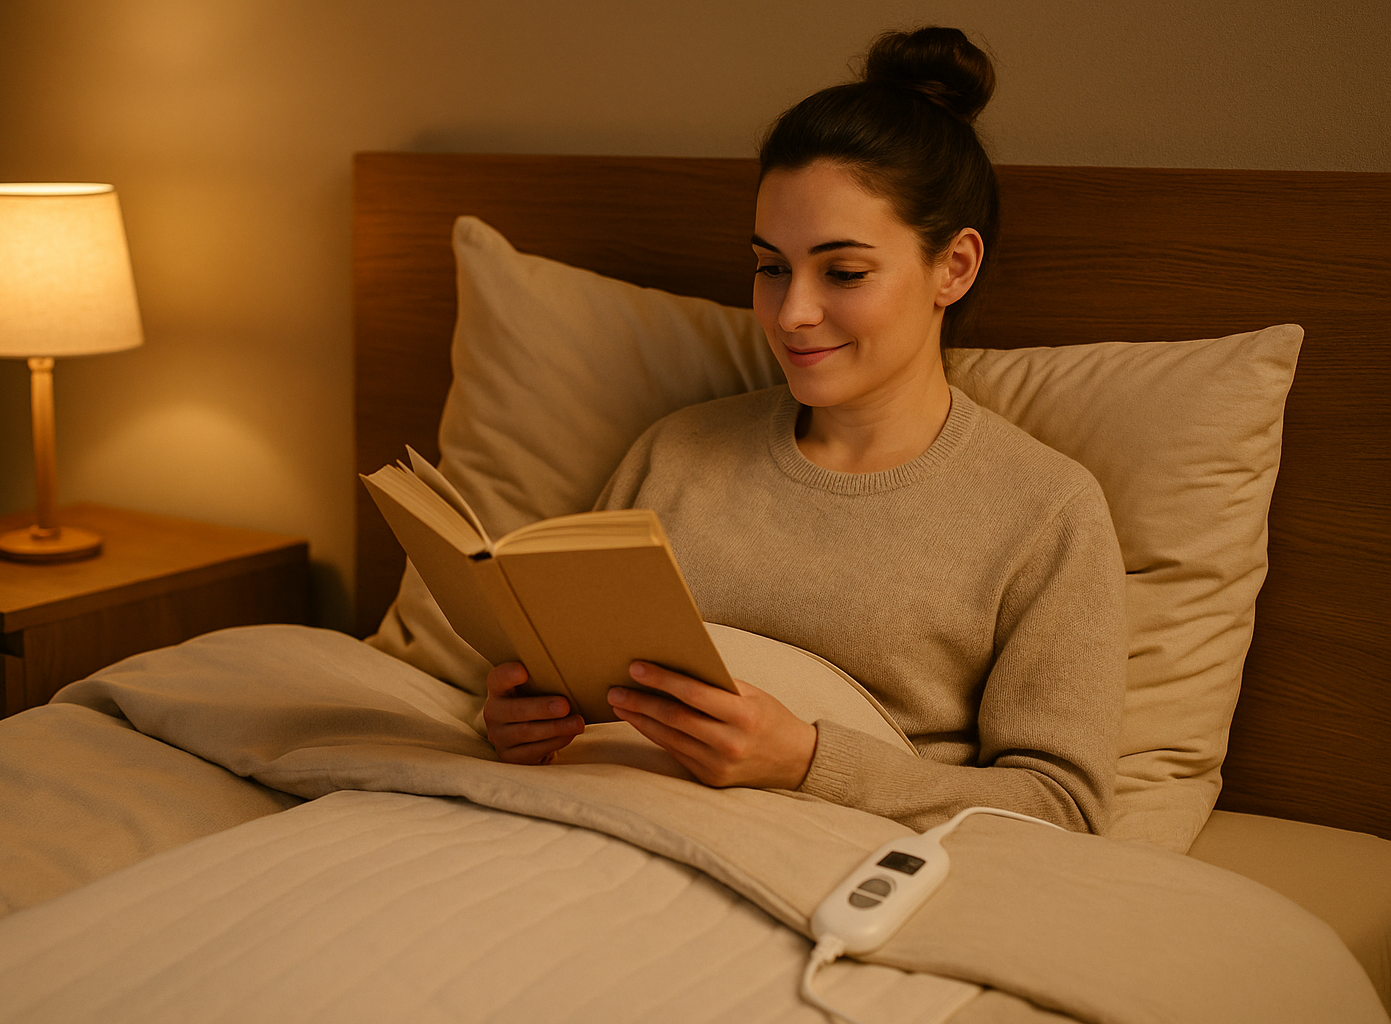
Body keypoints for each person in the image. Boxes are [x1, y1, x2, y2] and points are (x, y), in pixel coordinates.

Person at [482, 27, 1127, 833]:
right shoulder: (675, 451)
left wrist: (808, 763)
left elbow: (1063, 808)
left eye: (844, 272)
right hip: (597, 826)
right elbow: (576, 683)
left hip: (834, 867)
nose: (792, 314)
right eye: (770, 266)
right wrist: (520, 724)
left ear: (954, 268)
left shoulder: (1045, 510)